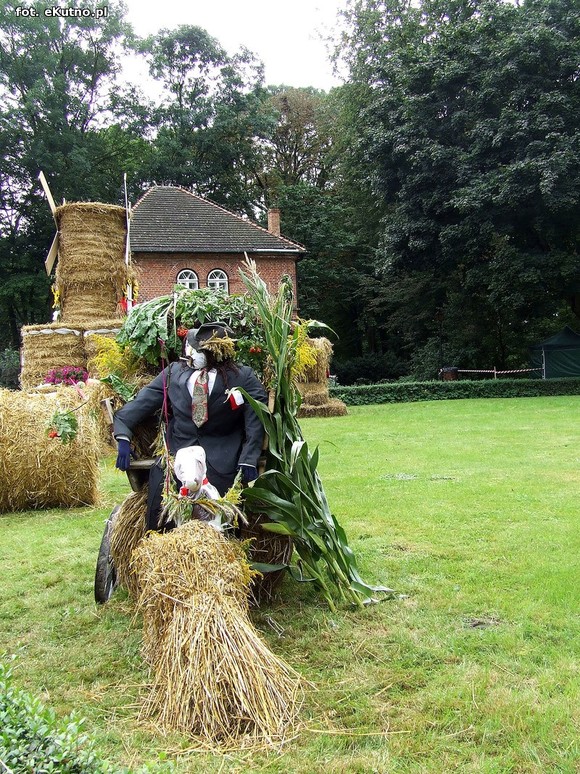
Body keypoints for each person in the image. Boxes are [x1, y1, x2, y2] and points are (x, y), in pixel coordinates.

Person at [113, 321, 267, 531]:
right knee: (161, 509)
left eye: (195, 349)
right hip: (177, 456)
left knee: (220, 521)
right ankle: (160, 549)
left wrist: (248, 459)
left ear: (214, 352)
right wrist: (122, 435)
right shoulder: (173, 373)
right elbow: (141, 404)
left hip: (221, 459)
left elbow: (256, 420)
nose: (189, 353)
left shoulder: (242, 376)